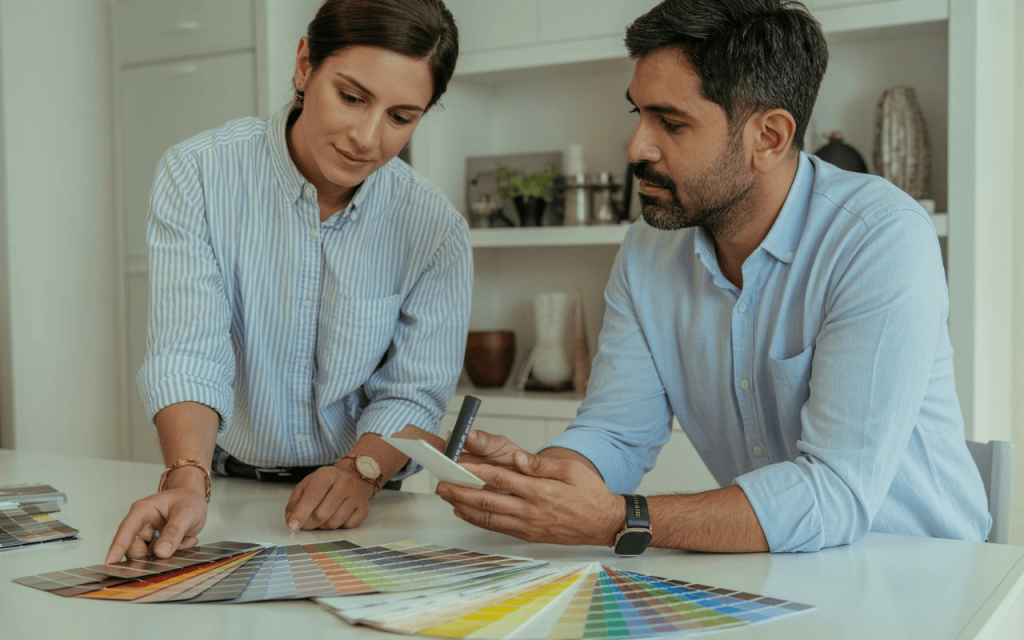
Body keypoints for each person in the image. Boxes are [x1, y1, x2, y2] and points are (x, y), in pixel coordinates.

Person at [435, 0, 991, 554]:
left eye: (671, 123)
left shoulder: (879, 237)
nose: (637, 148)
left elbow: (834, 491)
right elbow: (617, 432)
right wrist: (543, 477)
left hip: (926, 578)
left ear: (769, 137)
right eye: (640, 115)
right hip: (773, 573)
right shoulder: (646, 251)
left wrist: (616, 520)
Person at [106, 0, 469, 564]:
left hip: (367, 498)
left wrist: (360, 472)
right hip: (223, 485)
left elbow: (413, 392)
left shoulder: (435, 229)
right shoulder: (199, 175)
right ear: (305, 65)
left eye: (401, 117)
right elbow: (189, 351)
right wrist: (185, 478)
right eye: (351, 97)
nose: (367, 138)